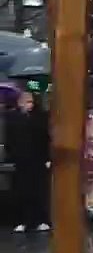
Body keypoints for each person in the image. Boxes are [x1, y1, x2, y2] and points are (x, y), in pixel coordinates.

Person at [6, 90, 50, 232]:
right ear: (20, 103)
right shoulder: (13, 118)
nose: (29, 105)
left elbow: (45, 138)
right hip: (21, 160)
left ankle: (41, 220)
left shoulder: (40, 117)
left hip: (37, 159)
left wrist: (47, 158)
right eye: (26, 102)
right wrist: (11, 156)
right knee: (22, 192)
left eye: (31, 101)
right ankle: (22, 220)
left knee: (39, 192)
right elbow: (10, 139)